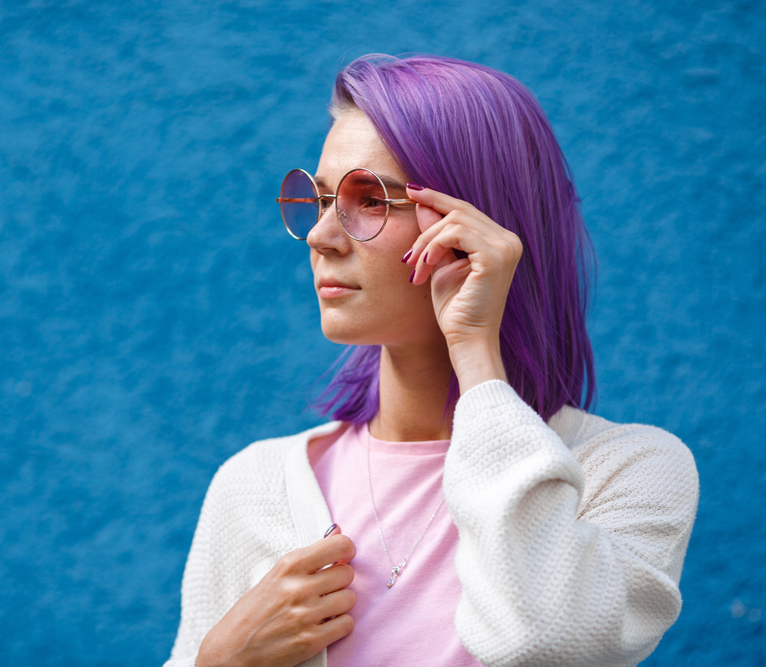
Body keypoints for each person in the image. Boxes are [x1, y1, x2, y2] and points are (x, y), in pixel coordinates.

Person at [164, 54, 699, 667]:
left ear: (474, 223)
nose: (320, 236)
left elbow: (547, 640)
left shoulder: (627, 472)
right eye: (318, 199)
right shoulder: (255, 486)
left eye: (368, 199)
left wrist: (474, 346)